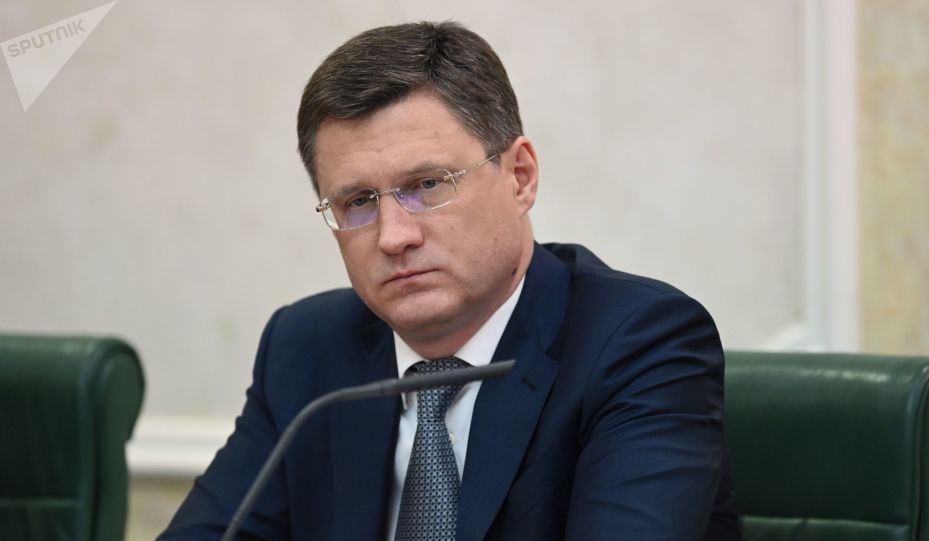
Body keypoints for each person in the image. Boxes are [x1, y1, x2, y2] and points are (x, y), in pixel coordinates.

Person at [160, 21, 740, 541]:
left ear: (519, 177)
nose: (394, 236)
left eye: (428, 185)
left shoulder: (639, 343)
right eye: (358, 201)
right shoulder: (306, 349)